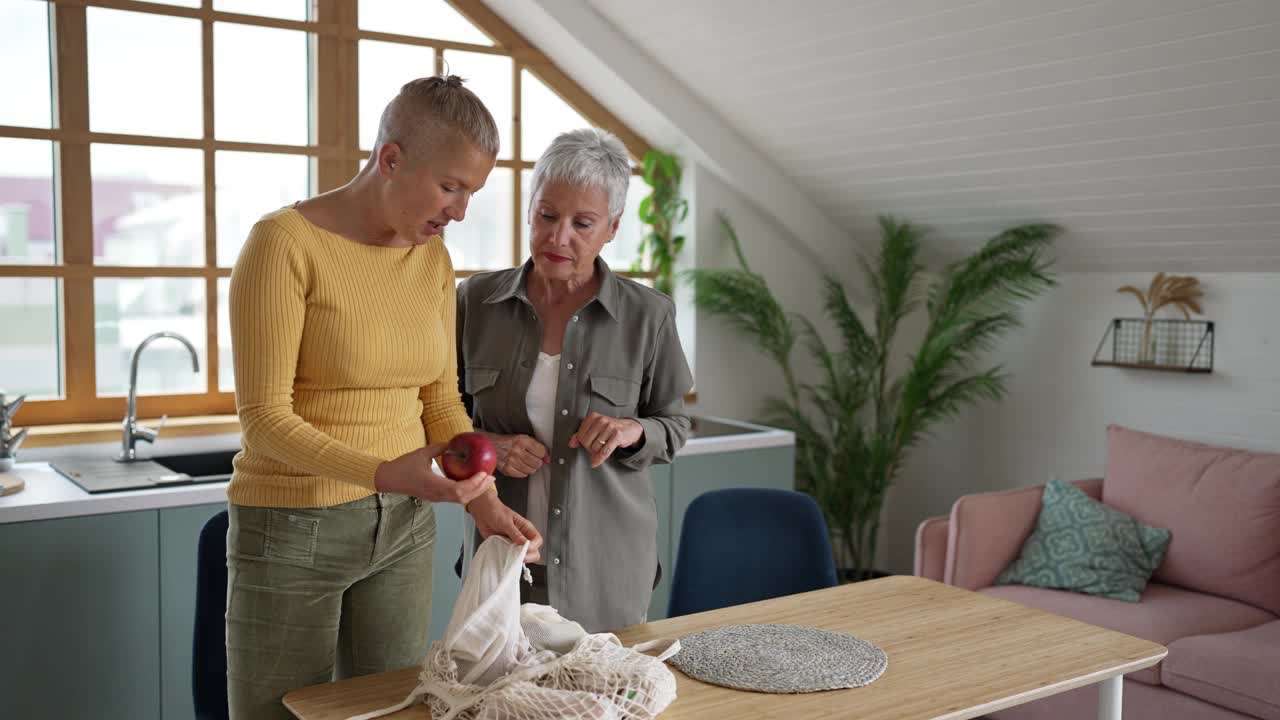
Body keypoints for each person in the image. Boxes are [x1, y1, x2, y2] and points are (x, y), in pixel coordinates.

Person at [225, 75, 542, 719]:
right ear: (390, 158)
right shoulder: (283, 245)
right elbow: (263, 421)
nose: (458, 211)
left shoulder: (431, 258)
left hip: (404, 526)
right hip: (293, 529)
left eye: (471, 194)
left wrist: (483, 501)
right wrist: (379, 470)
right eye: (450, 186)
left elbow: (439, 400)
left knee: (396, 710)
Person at [456, 128, 693, 633]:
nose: (558, 237)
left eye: (582, 223)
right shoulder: (473, 303)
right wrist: (490, 446)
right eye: (546, 215)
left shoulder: (648, 317)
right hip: (501, 564)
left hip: (606, 571)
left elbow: (673, 425)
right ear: (529, 211)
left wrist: (634, 431)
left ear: (612, 228)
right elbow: (435, 416)